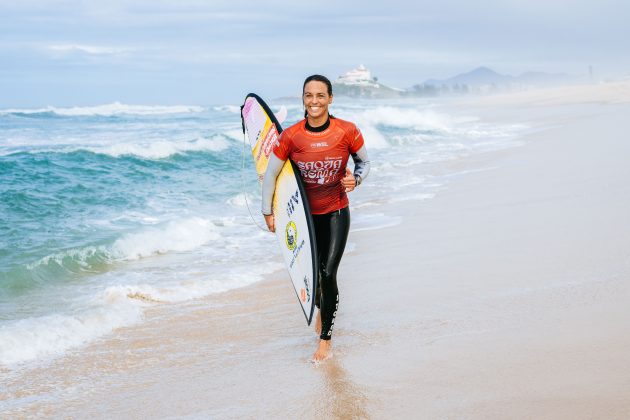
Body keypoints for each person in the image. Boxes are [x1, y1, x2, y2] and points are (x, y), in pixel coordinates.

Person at [261, 74, 370, 361]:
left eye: (320, 95)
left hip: (336, 212)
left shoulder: (347, 131)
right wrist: (268, 212)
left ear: (330, 99)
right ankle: (323, 308)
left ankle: (325, 342)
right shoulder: (292, 136)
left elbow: (364, 162)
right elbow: (271, 174)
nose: (314, 101)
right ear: (303, 99)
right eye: (309, 95)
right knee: (316, 280)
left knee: (327, 272)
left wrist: (355, 180)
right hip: (305, 219)